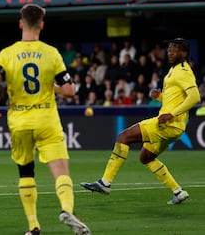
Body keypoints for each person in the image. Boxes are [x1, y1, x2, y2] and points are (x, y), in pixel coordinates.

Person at [0, 4, 91, 235]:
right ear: (42, 25)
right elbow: (69, 91)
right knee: (61, 171)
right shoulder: (51, 53)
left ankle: (33, 226)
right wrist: (52, 87)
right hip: (47, 120)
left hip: (19, 121)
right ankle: (67, 209)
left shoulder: (7, 54)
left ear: (20, 23)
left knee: (26, 171)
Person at [81, 38, 200, 205]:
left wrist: (172, 114)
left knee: (124, 137)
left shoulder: (183, 71)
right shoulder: (174, 70)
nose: (170, 52)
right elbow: (175, 99)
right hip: (173, 126)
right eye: (169, 49)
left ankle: (105, 183)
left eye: (175, 49)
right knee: (146, 157)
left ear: (184, 53)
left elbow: (195, 97)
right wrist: (160, 97)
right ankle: (178, 192)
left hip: (167, 123)